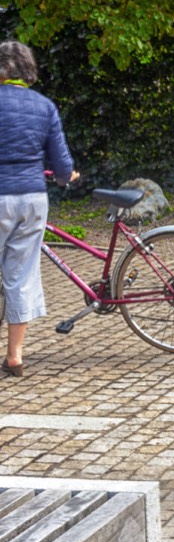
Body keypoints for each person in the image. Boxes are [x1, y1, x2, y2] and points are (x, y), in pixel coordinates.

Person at [0, 41, 77, 377]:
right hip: (32, 198)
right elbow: (61, 165)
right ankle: (15, 356)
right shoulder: (44, 107)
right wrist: (67, 176)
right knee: (22, 274)